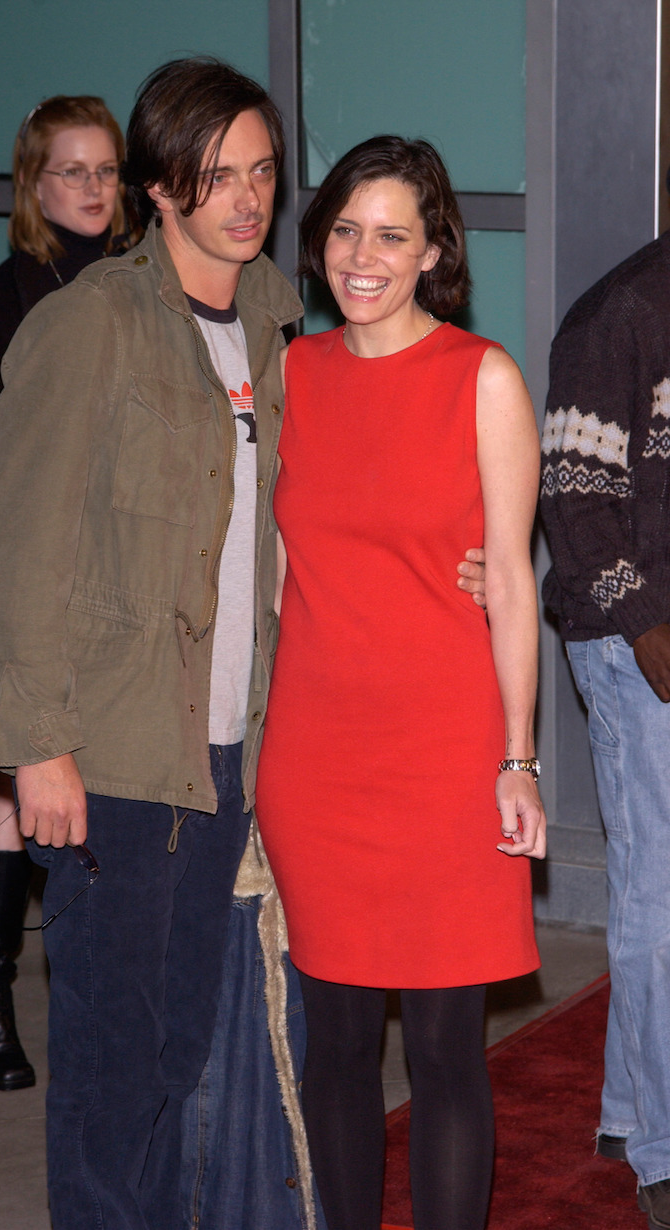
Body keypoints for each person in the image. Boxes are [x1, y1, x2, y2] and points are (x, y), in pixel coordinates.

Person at [0, 63, 489, 1227]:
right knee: (113, 1069)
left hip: (232, 761)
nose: (247, 200)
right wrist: (33, 745)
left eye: (261, 172)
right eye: (216, 177)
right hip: (116, 759)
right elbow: (16, 549)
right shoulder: (91, 324)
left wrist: (471, 561)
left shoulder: (272, 322)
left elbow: (339, 504)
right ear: (159, 186)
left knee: (181, 1051)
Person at [255, 135, 547, 1230]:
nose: (360, 258)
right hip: (315, 759)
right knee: (331, 1042)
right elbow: (274, 572)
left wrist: (515, 759)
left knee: (440, 1050)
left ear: (433, 252)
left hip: (442, 754)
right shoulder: (292, 373)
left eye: (390, 235)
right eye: (342, 230)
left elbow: (511, 584)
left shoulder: (482, 378)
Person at [0, 93, 133, 1092]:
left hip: (123, 582)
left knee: (105, 786)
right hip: (15, 576)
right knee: (16, 781)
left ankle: (93, 1003)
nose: (93, 188)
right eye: (73, 170)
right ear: (34, 182)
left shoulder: (148, 293)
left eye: (106, 170)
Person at [540, 228, 670, 1230]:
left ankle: (628, 1115)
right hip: (638, 646)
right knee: (655, 893)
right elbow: (573, 503)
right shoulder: (622, 311)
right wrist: (642, 625)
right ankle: (663, 1148)